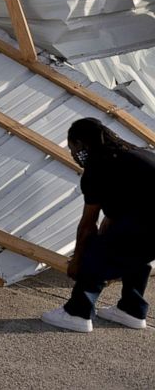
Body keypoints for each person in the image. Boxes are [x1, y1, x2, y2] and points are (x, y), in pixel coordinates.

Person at [41, 118, 155, 332]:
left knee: (95, 249)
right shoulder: (135, 155)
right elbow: (113, 217)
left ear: (81, 144)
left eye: (73, 148)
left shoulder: (98, 168)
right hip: (148, 225)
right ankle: (132, 310)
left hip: (146, 222)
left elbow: (88, 225)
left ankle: (77, 313)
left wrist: (78, 261)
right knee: (136, 253)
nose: (73, 155)